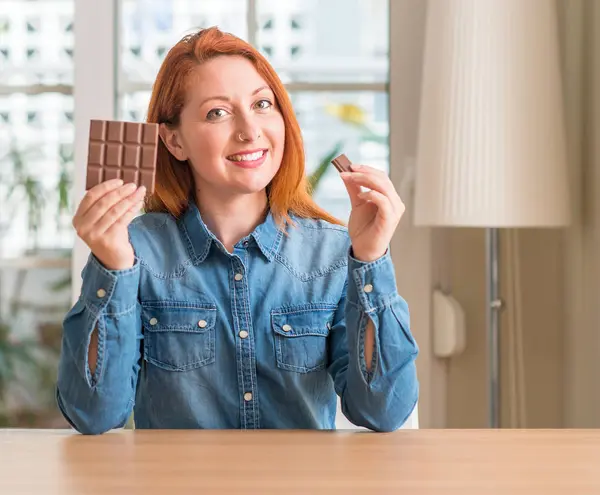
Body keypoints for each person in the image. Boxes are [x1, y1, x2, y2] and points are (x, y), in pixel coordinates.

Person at [56, 27, 419, 434]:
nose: (250, 130)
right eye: (218, 112)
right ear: (174, 141)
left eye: (263, 104)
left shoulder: (332, 252)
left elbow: (383, 411)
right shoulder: (135, 249)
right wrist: (113, 268)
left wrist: (371, 259)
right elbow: (93, 414)